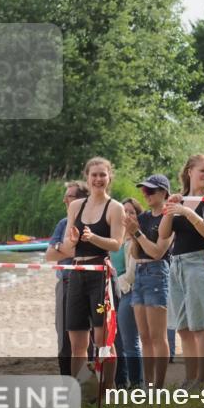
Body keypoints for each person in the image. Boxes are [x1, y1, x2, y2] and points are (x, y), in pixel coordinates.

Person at [158, 154, 204, 389]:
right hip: (176, 265)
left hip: (201, 265)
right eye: (203, 170)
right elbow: (164, 235)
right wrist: (170, 209)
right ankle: (190, 379)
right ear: (189, 172)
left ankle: (202, 382)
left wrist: (188, 213)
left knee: (202, 327)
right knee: (184, 328)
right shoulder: (180, 200)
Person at [59, 157, 125, 388]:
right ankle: (79, 389)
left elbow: (117, 244)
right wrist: (72, 240)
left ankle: (108, 388)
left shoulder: (115, 208)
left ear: (109, 177)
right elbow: (68, 245)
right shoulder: (76, 206)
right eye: (94, 175)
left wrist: (94, 238)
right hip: (77, 272)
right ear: (87, 177)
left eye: (102, 175)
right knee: (76, 340)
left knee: (103, 340)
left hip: (101, 275)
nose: (98, 179)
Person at [127, 173, 175, 388]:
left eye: (150, 190)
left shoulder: (169, 216)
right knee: (144, 336)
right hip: (140, 271)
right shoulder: (144, 217)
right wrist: (132, 234)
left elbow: (157, 252)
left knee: (158, 336)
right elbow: (137, 254)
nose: (145, 194)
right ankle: (148, 384)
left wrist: (136, 234)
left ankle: (160, 386)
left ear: (164, 192)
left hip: (157, 271)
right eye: (143, 190)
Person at [46, 181, 89, 376]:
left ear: (80, 200)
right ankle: (67, 385)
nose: (64, 200)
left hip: (91, 282)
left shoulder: (94, 221)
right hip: (65, 282)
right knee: (64, 340)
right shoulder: (63, 223)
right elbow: (49, 255)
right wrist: (65, 248)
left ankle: (91, 387)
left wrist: (61, 248)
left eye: (69, 196)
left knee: (91, 339)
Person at [112, 198, 143, 389]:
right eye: (125, 212)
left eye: (132, 212)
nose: (128, 215)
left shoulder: (135, 240)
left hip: (128, 291)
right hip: (112, 291)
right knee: (116, 341)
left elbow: (131, 275)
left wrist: (118, 282)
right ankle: (121, 382)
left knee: (130, 340)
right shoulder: (117, 237)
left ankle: (137, 384)